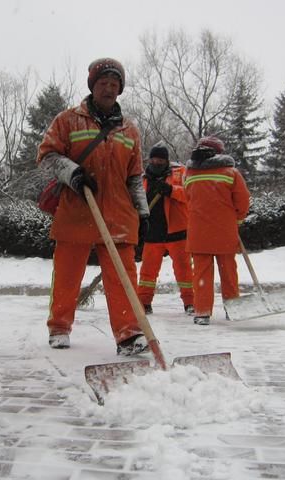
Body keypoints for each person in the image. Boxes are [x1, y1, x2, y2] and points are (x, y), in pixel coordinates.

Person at [37, 57, 150, 356]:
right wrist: (72, 174)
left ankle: (128, 334)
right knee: (67, 275)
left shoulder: (130, 131)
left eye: (114, 85)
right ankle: (59, 326)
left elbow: (135, 175)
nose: (109, 89)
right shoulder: (67, 120)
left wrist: (143, 212)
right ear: (93, 86)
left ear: (120, 89)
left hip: (119, 216)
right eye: (103, 83)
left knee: (123, 277)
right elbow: (47, 155)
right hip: (77, 210)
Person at [184, 136, 250, 325]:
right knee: (228, 272)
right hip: (224, 231)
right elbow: (243, 201)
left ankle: (202, 312)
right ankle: (232, 308)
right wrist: (237, 218)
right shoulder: (230, 172)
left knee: (201, 274)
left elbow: (188, 199)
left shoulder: (190, 173)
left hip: (198, 232)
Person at [137, 142, 194, 315]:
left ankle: (190, 302)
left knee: (184, 271)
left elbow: (191, 194)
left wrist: (171, 190)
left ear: (167, 160)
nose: (157, 162)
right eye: (154, 159)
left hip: (177, 230)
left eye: (160, 159)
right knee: (147, 272)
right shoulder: (142, 179)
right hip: (152, 232)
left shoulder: (180, 173)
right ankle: (144, 302)